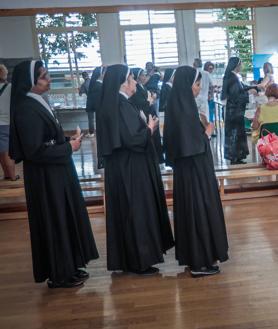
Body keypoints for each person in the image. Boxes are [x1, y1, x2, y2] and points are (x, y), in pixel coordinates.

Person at [9, 60, 99, 288]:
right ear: (31, 82)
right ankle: (59, 274)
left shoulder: (37, 102)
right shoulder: (26, 108)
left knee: (64, 218)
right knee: (54, 221)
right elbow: (35, 150)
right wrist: (69, 148)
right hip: (44, 178)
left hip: (56, 173)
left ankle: (68, 266)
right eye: (44, 76)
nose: (49, 79)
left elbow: (48, 139)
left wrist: (68, 141)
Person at [96, 64, 174, 275]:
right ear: (123, 82)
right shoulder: (121, 105)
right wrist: (149, 129)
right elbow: (133, 139)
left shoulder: (119, 104)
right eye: (131, 78)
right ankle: (140, 260)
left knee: (130, 212)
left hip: (124, 168)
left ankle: (132, 258)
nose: (135, 82)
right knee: (136, 211)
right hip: (130, 169)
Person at [163, 65, 229, 277]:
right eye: (197, 84)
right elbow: (191, 145)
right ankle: (200, 262)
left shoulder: (179, 104)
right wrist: (207, 133)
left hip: (190, 173)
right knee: (198, 213)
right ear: (187, 85)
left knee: (194, 213)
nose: (199, 88)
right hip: (194, 175)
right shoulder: (183, 108)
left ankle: (198, 258)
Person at [221, 57, 256, 165]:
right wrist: (249, 93)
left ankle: (237, 156)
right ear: (236, 65)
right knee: (235, 134)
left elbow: (241, 88)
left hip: (234, 111)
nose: (242, 66)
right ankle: (234, 157)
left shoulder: (233, 76)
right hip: (234, 111)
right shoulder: (232, 77)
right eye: (241, 64)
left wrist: (254, 87)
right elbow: (236, 95)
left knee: (237, 133)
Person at [130, 67, 164, 163]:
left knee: (156, 136)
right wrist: (150, 100)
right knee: (151, 136)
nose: (145, 76)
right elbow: (139, 102)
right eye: (143, 75)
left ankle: (159, 157)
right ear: (138, 77)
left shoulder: (142, 86)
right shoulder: (136, 88)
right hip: (145, 115)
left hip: (150, 112)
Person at [0, 64, 19, 180]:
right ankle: (12, 176)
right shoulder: (11, 87)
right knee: (7, 152)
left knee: (1, 152)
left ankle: (6, 174)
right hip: (6, 122)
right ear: (5, 74)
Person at [85, 66, 106, 137]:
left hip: (91, 103)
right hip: (96, 103)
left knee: (91, 119)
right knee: (97, 118)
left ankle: (91, 133)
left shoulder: (91, 82)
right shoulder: (98, 84)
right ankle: (93, 133)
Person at [193, 58, 212, 127]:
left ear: (194, 65)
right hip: (204, 98)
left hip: (195, 98)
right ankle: (207, 134)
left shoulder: (193, 72)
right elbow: (211, 85)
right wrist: (211, 95)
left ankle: (198, 133)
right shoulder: (207, 73)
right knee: (205, 117)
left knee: (195, 117)